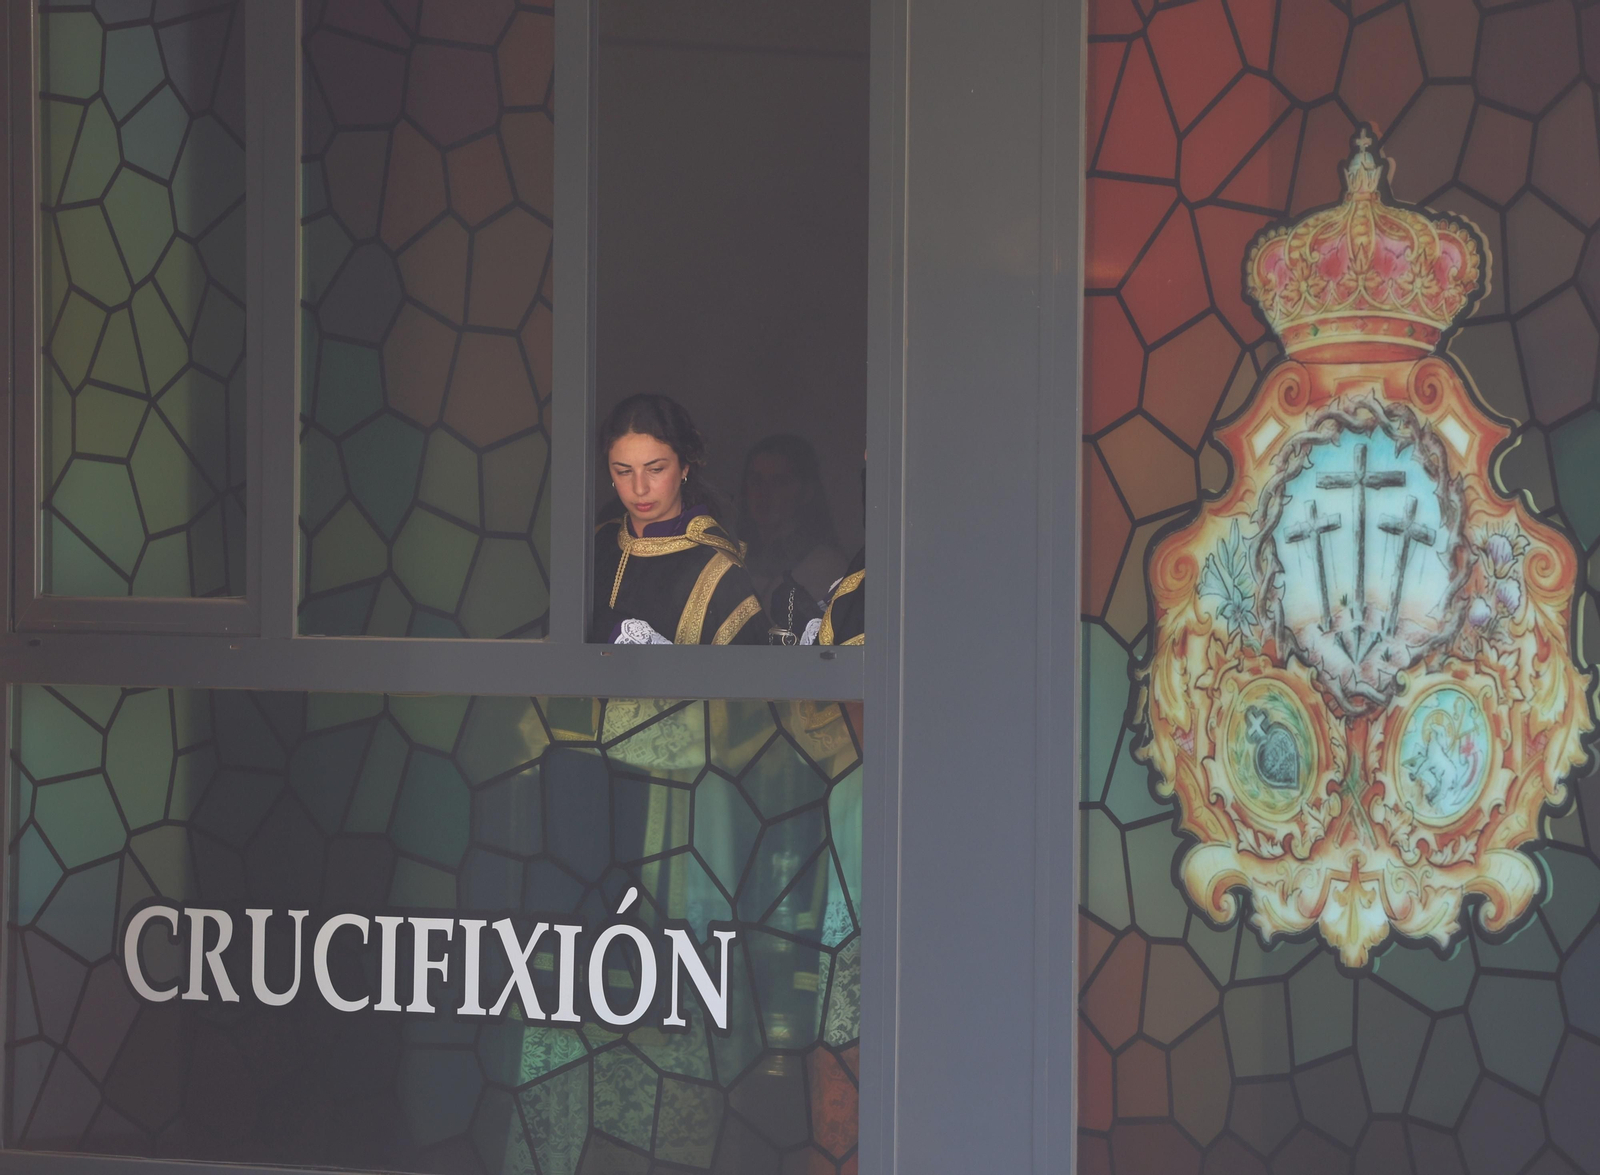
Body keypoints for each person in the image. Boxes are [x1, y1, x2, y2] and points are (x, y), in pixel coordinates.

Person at [592, 395, 769, 644]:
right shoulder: (596, 546)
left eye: (655, 470)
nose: (639, 488)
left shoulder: (718, 571)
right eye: (624, 471)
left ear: (684, 467)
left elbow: (746, 676)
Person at [739, 435, 850, 625]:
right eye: (757, 481)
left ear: (806, 492)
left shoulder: (825, 567)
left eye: (779, 482)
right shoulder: (734, 558)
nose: (764, 493)